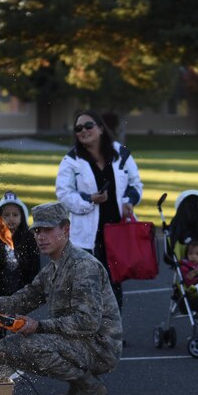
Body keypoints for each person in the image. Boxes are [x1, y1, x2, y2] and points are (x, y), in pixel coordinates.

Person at [0, 202, 123, 395]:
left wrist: (39, 326)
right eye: (37, 231)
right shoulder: (53, 267)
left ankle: (90, 387)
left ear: (65, 229)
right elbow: (18, 302)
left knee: (35, 345)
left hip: (99, 346)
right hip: (77, 340)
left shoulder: (83, 266)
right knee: (6, 348)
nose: (40, 237)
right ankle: (78, 387)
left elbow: (88, 322)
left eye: (47, 230)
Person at [55, 110, 143, 311]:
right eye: (78, 128)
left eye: (88, 126)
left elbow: (135, 183)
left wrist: (129, 201)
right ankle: (90, 336)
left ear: (101, 128)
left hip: (116, 232)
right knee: (88, 286)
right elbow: (63, 194)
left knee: (114, 284)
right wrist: (89, 200)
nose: (83, 131)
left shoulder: (121, 153)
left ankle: (113, 335)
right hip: (87, 236)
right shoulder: (71, 160)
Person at [0, 191, 42, 341]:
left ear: (22, 217)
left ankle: (19, 344)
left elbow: (34, 264)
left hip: (21, 285)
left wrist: (35, 285)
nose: (11, 219)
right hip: (2, 285)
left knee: (18, 319)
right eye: (6, 215)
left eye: (15, 215)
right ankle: (0, 344)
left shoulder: (28, 239)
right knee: (1, 318)